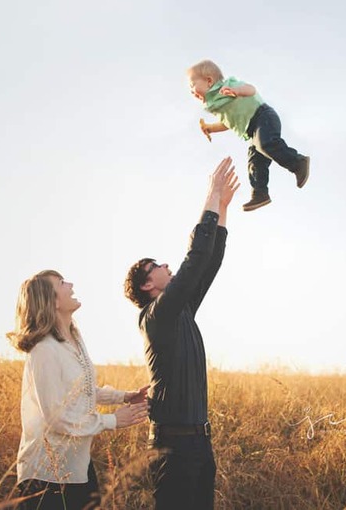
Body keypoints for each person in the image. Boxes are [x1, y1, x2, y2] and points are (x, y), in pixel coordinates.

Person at [123, 157, 239, 509]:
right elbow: (193, 260)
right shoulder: (155, 316)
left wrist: (221, 207)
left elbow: (209, 261)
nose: (166, 266)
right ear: (147, 285)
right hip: (171, 449)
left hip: (200, 443)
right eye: (156, 266)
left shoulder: (181, 310)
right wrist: (210, 194)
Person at [7, 269, 149, 510]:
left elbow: (80, 390)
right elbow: (57, 419)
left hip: (77, 468)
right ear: (51, 301)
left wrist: (124, 396)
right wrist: (112, 420)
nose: (71, 284)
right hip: (46, 476)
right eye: (62, 283)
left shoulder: (74, 338)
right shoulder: (44, 351)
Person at [188, 59, 310, 212]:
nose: (191, 91)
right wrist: (210, 128)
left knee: (265, 144)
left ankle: (298, 162)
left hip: (263, 116)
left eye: (192, 85)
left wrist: (238, 91)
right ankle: (260, 193)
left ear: (209, 81)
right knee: (255, 160)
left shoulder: (226, 87)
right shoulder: (218, 105)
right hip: (253, 130)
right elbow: (227, 122)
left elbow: (251, 90)